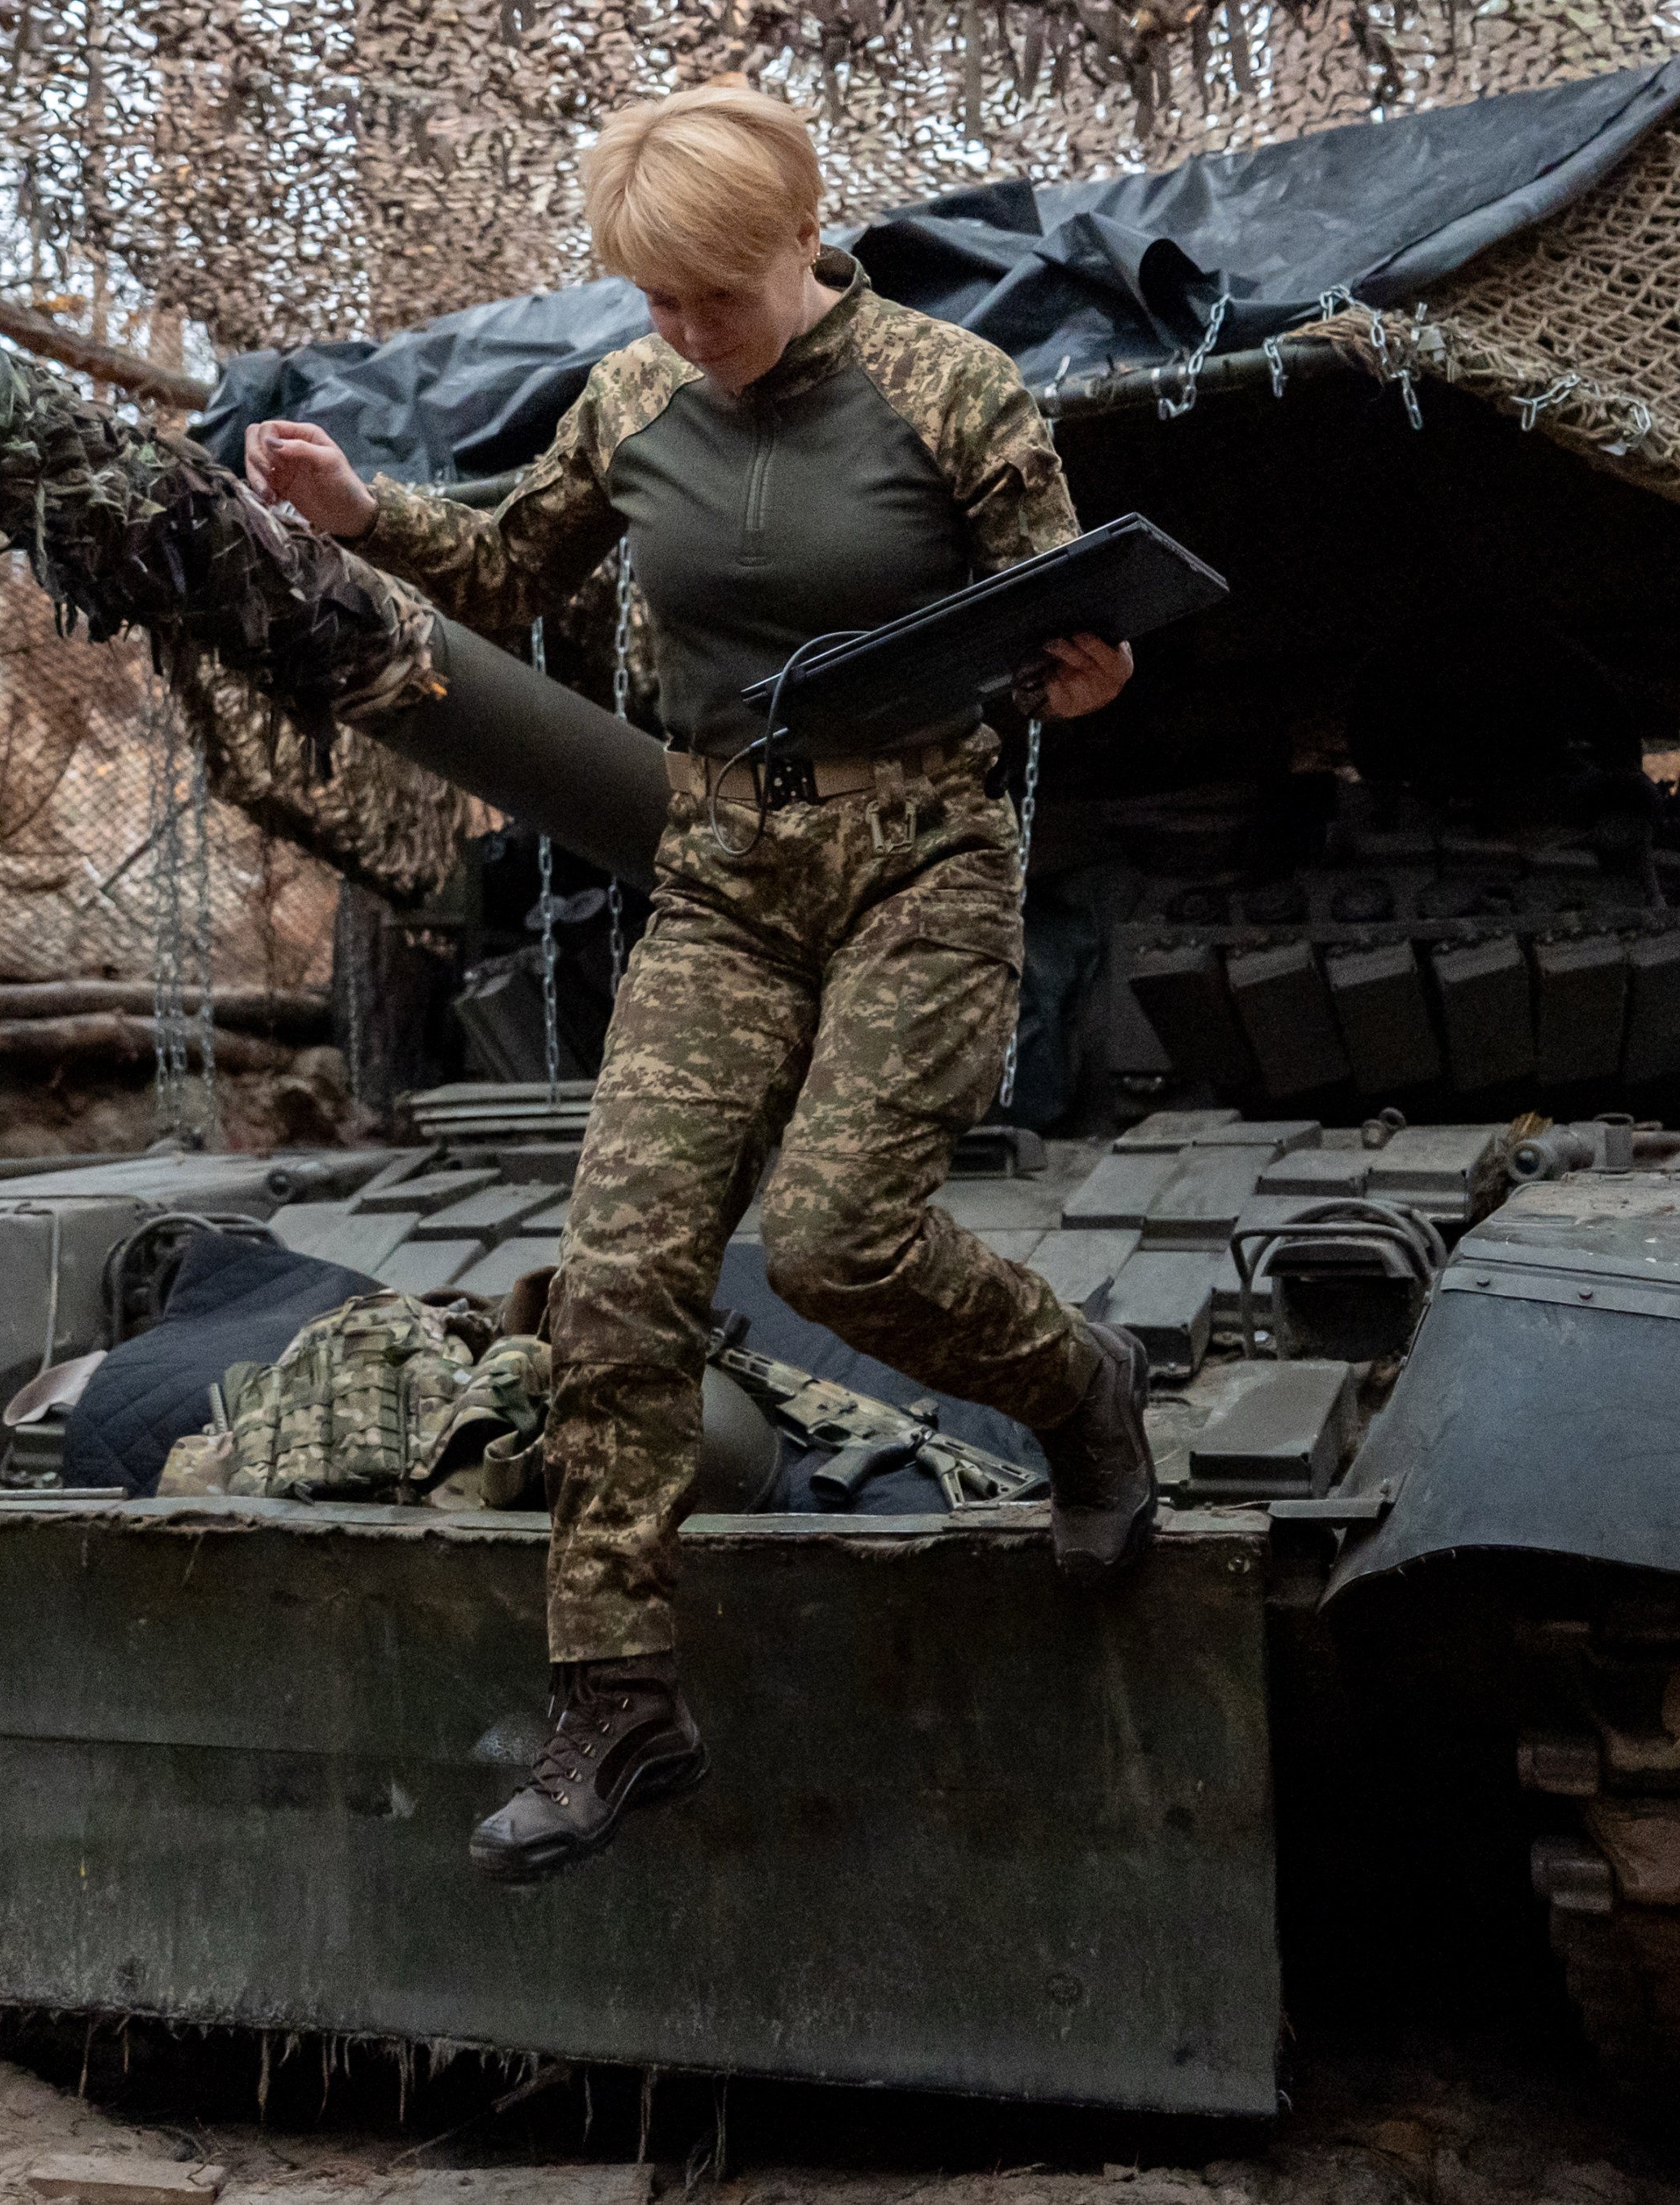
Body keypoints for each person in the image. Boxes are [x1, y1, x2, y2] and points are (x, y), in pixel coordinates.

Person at [246, 82, 1161, 1885]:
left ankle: (1082, 1395)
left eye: (708, 295)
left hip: (921, 860)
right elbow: (511, 562)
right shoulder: (634, 398)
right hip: (723, 873)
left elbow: (1070, 627)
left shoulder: (952, 392)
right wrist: (362, 509)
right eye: (649, 297)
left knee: (835, 1242)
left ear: (796, 241)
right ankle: (619, 1699)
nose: (679, 330)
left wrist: (1086, 678)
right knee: (616, 1276)